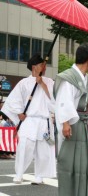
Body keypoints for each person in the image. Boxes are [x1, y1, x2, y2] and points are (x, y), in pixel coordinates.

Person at [1, 54, 56, 184]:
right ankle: (19, 173)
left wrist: (42, 83)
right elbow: (13, 100)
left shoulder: (49, 82)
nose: (44, 67)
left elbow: (54, 100)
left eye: (44, 64)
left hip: (44, 120)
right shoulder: (24, 83)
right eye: (42, 64)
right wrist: (19, 113)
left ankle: (40, 176)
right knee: (25, 146)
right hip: (29, 120)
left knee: (42, 150)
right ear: (34, 67)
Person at [53, 43, 88, 196]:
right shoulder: (69, 77)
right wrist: (65, 123)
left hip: (86, 126)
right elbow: (63, 102)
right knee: (72, 164)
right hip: (73, 126)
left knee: (86, 165)